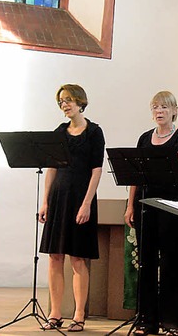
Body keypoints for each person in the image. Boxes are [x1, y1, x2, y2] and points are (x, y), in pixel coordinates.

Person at [123, 91, 178, 336]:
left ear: (174, 110)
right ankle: (146, 320)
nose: (159, 111)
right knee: (147, 263)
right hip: (145, 204)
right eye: (155, 107)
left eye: (164, 107)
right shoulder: (144, 138)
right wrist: (130, 205)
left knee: (170, 261)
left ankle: (172, 322)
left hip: (171, 205)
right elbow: (134, 175)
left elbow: (172, 167)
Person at [39, 84, 105, 333]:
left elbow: (96, 171)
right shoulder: (59, 131)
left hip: (81, 199)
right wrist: (45, 201)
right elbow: (51, 168)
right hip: (58, 198)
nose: (64, 105)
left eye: (67, 100)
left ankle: (79, 315)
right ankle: (55, 313)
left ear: (80, 101)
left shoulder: (95, 132)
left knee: (78, 259)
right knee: (55, 257)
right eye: (60, 102)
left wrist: (87, 203)